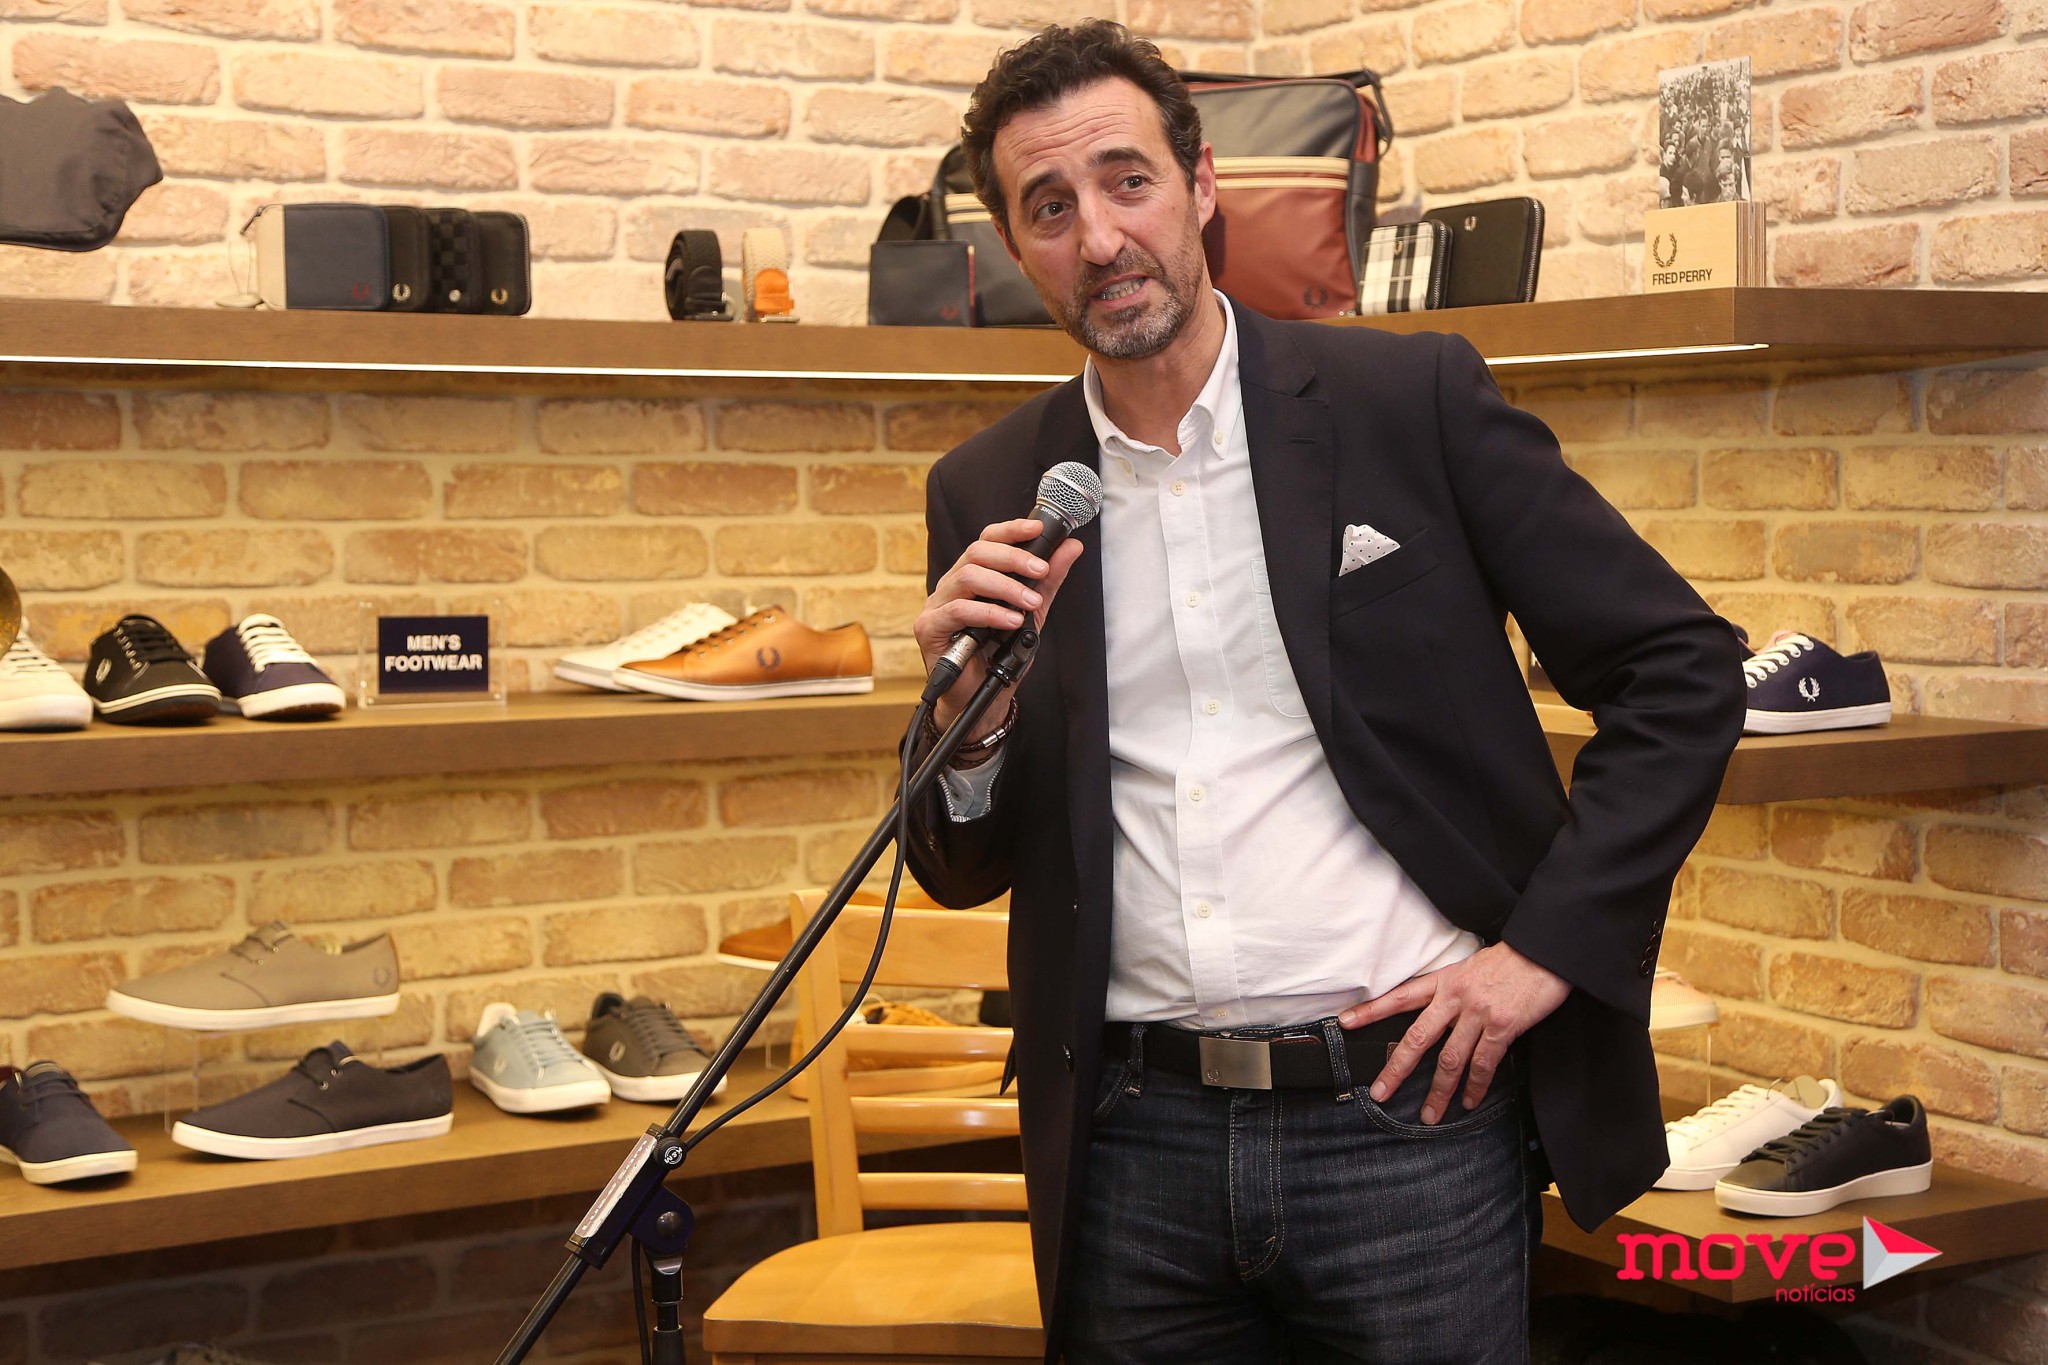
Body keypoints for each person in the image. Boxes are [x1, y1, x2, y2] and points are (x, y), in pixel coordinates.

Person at [905, 21, 1745, 1364]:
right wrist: (973, 727)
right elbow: (959, 865)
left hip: (1405, 1126)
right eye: (1049, 208)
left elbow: (1680, 670)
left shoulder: (1408, 400)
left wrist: (1543, 955)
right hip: (1131, 1150)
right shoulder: (993, 487)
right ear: (1016, 246)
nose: (1101, 237)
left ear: (1201, 186)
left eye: (1129, 181)